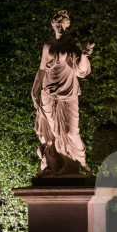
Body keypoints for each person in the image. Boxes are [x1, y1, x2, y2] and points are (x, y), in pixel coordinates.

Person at [31, 9, 94, 177]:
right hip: (48, 94)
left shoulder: (73, 45)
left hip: (67, 93)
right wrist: (34, 90)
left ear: (67, 24)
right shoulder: (48, 46)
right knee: (55, 133)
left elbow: (81, 70)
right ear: (53, 24)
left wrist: (85, 55)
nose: (59, 25)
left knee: (72, 133)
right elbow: (42, 69)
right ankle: (64, 166)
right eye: (56, 23)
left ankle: (83, 164)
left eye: (62, 22)